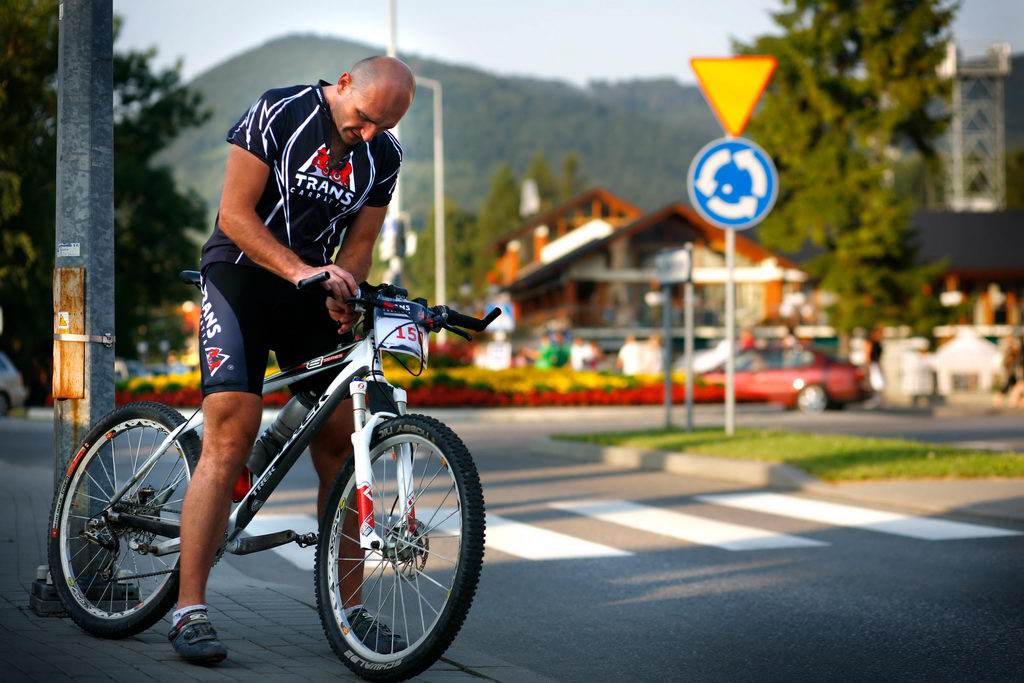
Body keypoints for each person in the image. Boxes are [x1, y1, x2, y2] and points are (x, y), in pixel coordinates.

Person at [169, 57, 415, 665]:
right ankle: (188, 610)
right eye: (364, 119)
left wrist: (343, 291)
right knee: (231, 431)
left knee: (344, 441)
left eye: (383, 127)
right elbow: (234, 214)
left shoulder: (383, 156)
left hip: (310, 285)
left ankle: (349, 612)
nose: (368, 134)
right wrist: (300, 269)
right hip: (241, 275)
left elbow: (359, 245)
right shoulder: (281, 110)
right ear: (344, 84)